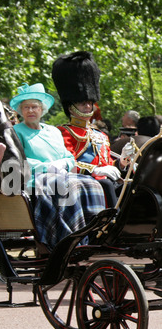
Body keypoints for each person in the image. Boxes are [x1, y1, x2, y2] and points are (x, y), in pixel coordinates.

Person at [10, 82, 106, 249]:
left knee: (92, 183)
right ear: (21, 110)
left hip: (59, 174)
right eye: (26, 107)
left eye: (34, 107)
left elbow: (69, 157)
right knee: (66, 185)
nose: (31, 111)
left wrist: (63, 163)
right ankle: (70, 238)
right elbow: (19, 160)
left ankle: (93, 232)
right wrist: (47, 167)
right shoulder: (15, 131)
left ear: (42, 109)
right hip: (33, 177)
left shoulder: (53, 131)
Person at [52, 51, 132, 208]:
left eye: (90, 102)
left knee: (130, 187)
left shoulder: (100, 134)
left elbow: (108, 165)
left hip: (105, 182)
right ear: (71, 106)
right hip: (85, 184)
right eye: (83, 103)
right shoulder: (64, 132)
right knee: (107, 185)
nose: (88, 107)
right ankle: (110, 224)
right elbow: (69, 163)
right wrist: (95, 170)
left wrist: (122, 163)